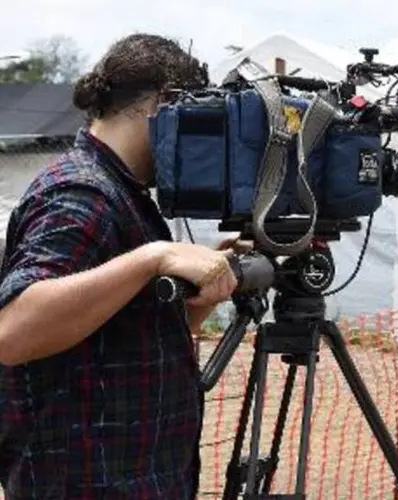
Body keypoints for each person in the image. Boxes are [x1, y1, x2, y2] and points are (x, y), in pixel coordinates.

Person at [0, 33, 238, 499]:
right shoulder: (82, 194)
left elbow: (133, 329)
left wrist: (207, 282)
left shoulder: (123, 193)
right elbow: (14, 333)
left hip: (134, 476)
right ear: (162, 106)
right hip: (87, 481)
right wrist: (153, 258)